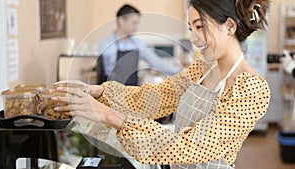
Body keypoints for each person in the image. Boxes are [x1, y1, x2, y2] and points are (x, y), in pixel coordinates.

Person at [54, 0, 271, 168]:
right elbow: (155, 99)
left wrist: (109, 115)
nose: (194, 39)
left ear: (230, 26)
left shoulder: (252, 89)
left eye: (200, 27)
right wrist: (99, 91)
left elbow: (191, 145)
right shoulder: (203, 67)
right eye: (191, 28)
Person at [97, 4, 180, 85]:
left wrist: (179, 71)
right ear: (121, 21)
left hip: (132, 93)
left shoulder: (138, 44)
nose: (136, 27)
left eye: (137, 23)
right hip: (111, 93)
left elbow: (157, 63)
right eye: (133, 23)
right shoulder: (105, 45)